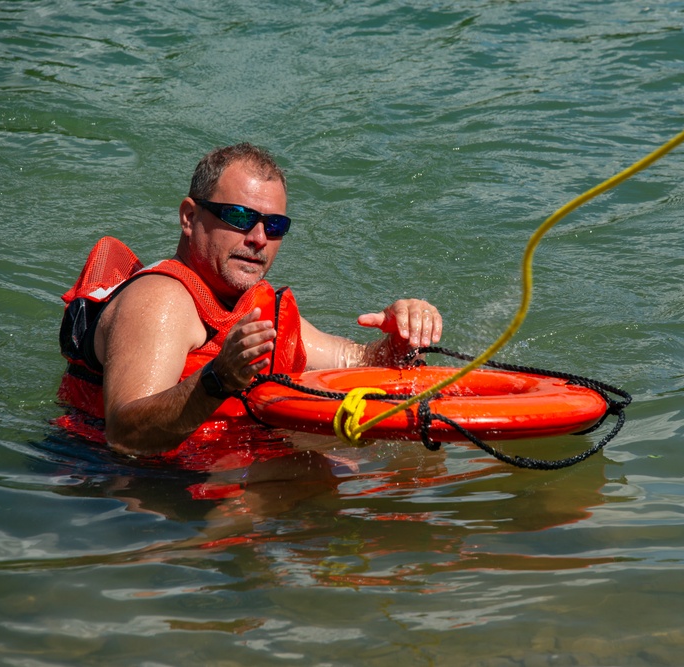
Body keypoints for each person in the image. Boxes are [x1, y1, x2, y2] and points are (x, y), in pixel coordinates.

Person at [59, 143, 442, 457]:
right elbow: (126, 435)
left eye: (274, 226)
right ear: (189, 218)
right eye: (240, 217)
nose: (258, 238)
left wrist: (403, 337)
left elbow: (357, 362)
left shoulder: (250, 304)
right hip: (122, 492)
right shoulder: (162, 302)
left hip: (213, 470)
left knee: (371, 467)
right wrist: (218, 379)